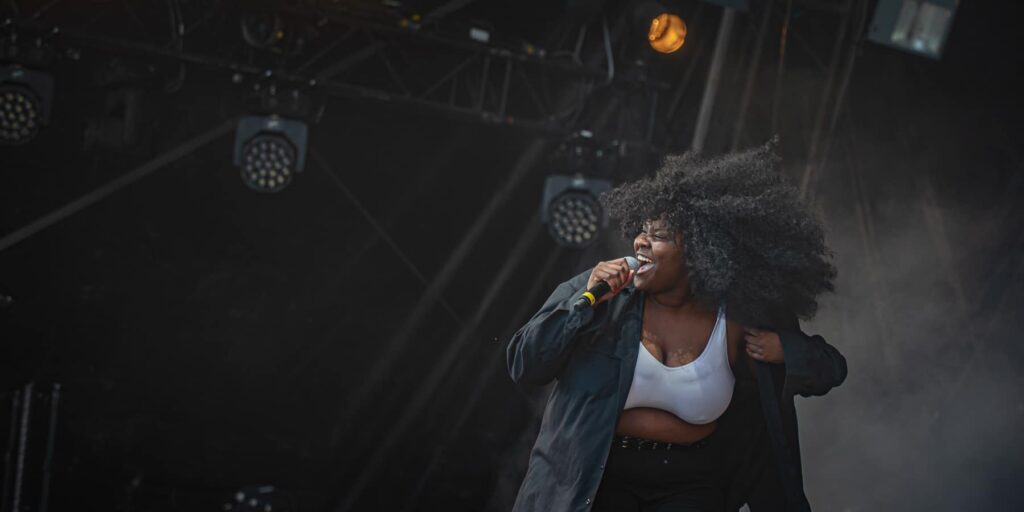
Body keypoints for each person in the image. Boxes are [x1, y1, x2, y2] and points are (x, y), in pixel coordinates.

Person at [507, 141, 847, 512]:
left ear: (701, 251)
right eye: (641, 231)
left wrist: (787, 350)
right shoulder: (600, 291)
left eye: (659, 236)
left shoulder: (741, 318)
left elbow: (831, 369)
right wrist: (582, 306)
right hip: (596, 475)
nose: (641, 242)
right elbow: (525, 364)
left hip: (692, 484)